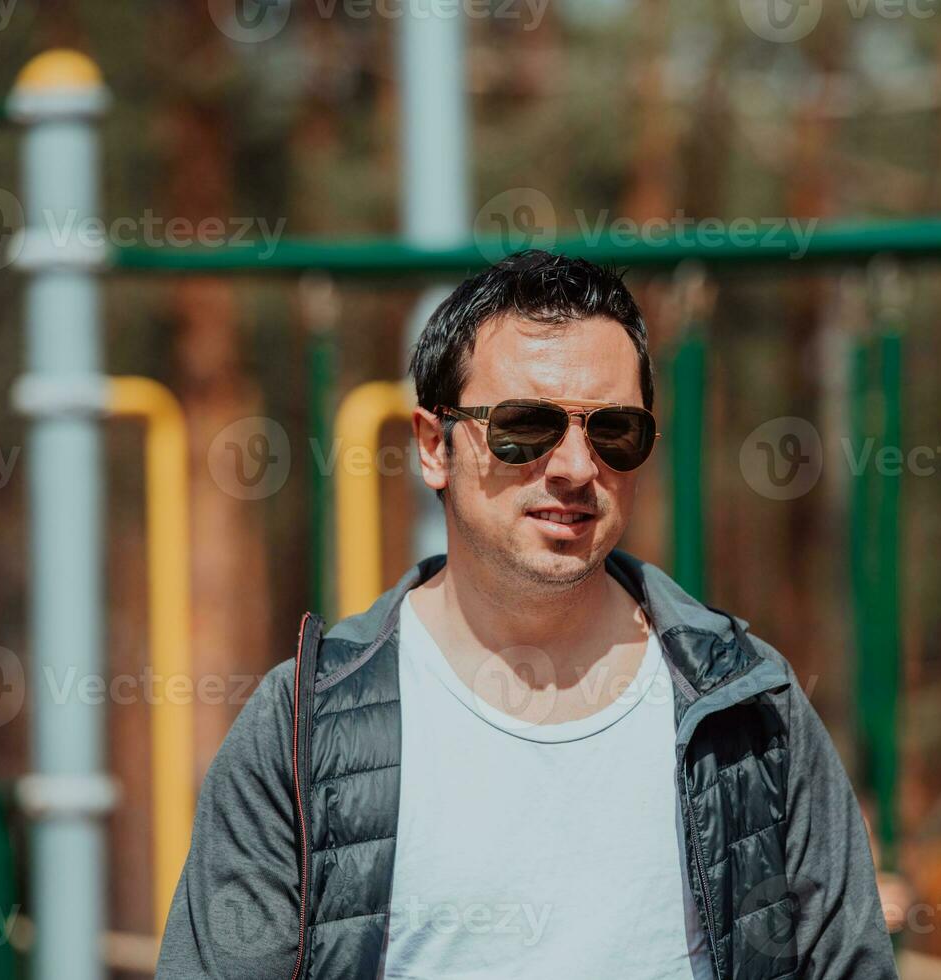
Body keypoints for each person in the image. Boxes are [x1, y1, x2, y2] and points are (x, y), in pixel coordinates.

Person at [155, 250, 897, 980]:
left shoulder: (748, 708)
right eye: (525, 425)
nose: (575, 467)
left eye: (613, 431)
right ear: (431, 446)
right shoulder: (303, 724)